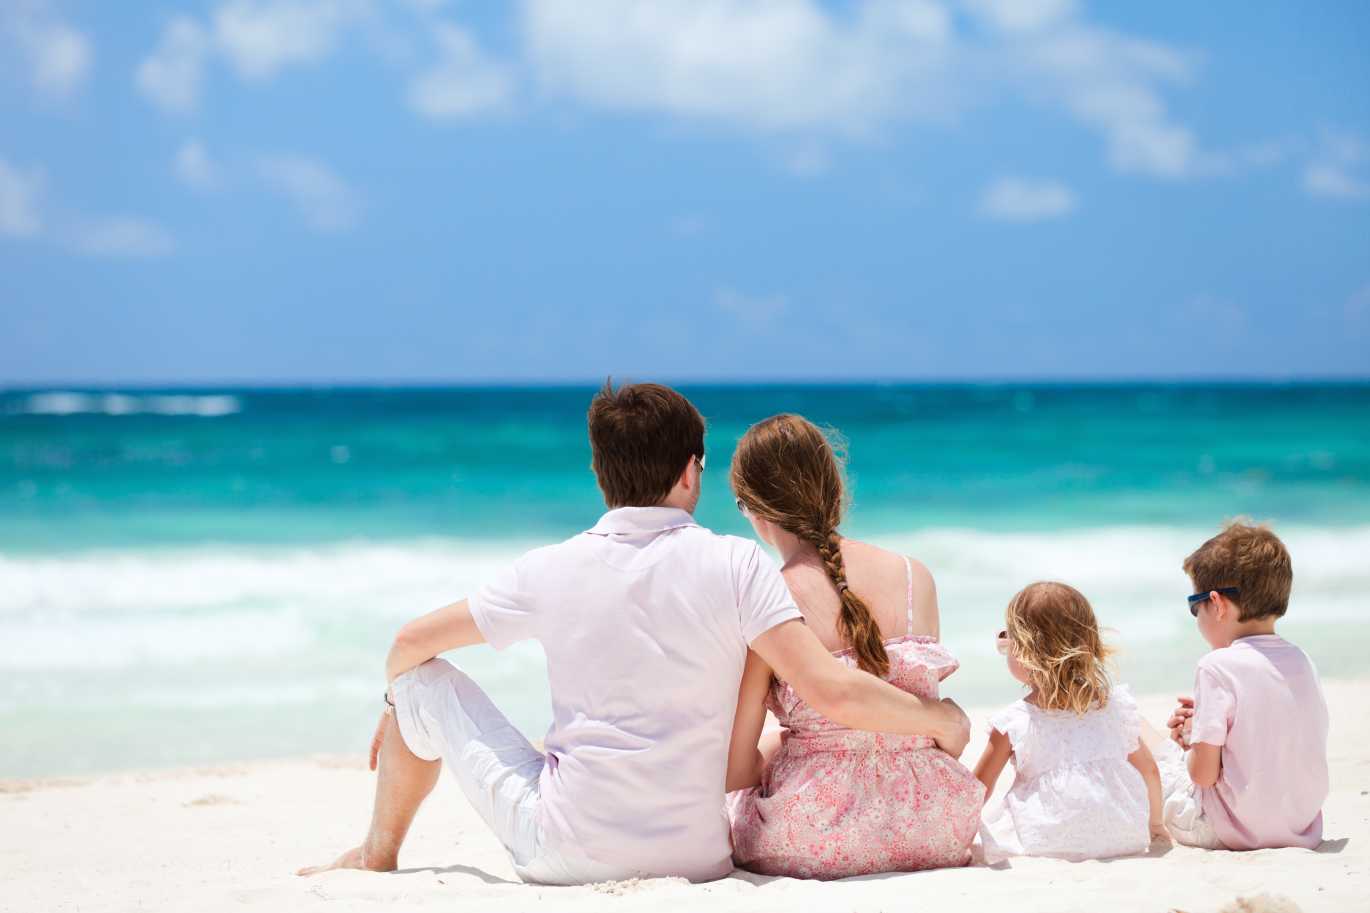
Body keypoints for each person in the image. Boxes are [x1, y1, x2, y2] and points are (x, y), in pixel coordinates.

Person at [298, 382, 970, 885]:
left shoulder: (549, 568)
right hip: (699, 856)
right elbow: (828, 687)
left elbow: (408, 643)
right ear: (690, 471)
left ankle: (377, 852)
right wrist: (936, 717)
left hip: (565, 849)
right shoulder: (738, 563)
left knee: (421, 682)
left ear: (599, 474)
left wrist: (397, 704)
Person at [725, 414, 982, 879]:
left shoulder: (769, 599)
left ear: (754, 509)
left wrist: (784, 748)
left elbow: (736, 768)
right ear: (833, 488)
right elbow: (921, 722)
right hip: (933, 822)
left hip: (815, 832)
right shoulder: (913, 575)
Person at [1158, 520, 1328, 850]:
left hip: (1230, 829)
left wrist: (1193, 739)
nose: (1197, 619)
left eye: (1196, 608)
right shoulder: (1302, 660)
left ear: (1217, 604)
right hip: (1302, 827)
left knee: (1158, 761)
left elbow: (1203, 776)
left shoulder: (1215, 667)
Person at [973, 581, 1165, 863]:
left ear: (1025, 651)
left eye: (1007, 639)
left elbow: (977, 791)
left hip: (1047, 840)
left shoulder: (1013, 722)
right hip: (1126, 835)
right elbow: (1149, 771)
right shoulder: (1114, 707)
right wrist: (1155, 826)